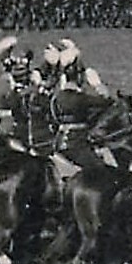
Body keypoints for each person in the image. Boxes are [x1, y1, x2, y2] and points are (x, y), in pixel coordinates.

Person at [49, 39, 112, 174]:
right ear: (80, 76)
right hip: (76, 145)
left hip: (58, 144)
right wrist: (97, 84)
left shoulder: (56, 97)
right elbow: (107, 101)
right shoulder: (81, 98)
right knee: (103, 173)